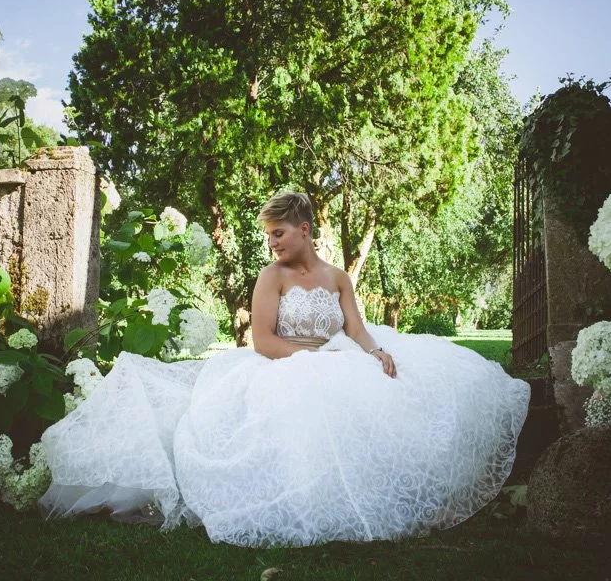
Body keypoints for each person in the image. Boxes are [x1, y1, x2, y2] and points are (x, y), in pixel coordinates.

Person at [39, 191, 531, 547]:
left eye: (278, 233)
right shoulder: (270, 277)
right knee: (310, 398)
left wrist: (373, 350)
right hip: (283, 362)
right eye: (268, 234)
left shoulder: (337, 277)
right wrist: (310, 362)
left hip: (337, 353)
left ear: (305, 230)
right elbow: (263, 339)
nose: (272, 242)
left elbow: (356, 328)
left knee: (394, 383)